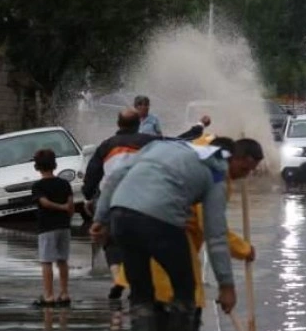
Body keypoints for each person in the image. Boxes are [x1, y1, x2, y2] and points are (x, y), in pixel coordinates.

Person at [89, 137, 264, 331]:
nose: (245, 175)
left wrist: (101, 218)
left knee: (142, 296)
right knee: (185, 290)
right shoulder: (217, 171)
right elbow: (214, 233)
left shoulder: (162, 146)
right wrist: (226, 285)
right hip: (161, 223)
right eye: (247, 169)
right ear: (235, 159)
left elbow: (115, 176)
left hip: (122, 217)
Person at [82, 108, 212, 300]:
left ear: (118, 125)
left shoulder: (105, 146)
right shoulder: (149, 142)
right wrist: (200, 126)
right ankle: (138, 283)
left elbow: (93, 175)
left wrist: (88, 196)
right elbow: (180, 141)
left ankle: (118, 278)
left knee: (112, 243)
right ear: (138, 124)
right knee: (143, 244)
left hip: (112, 200)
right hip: (142, 197)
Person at [31, 149, 74, 307]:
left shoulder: (38, 186)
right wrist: (66, 212)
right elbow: (71, 204)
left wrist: (61, 208)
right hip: (64, 226)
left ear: (37, 167)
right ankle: (64, 293)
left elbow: (44, 203)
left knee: (46, 262)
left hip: (47, 227)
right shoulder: (64, 184)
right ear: (54, 165)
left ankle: (48, 295)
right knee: (63, 260)